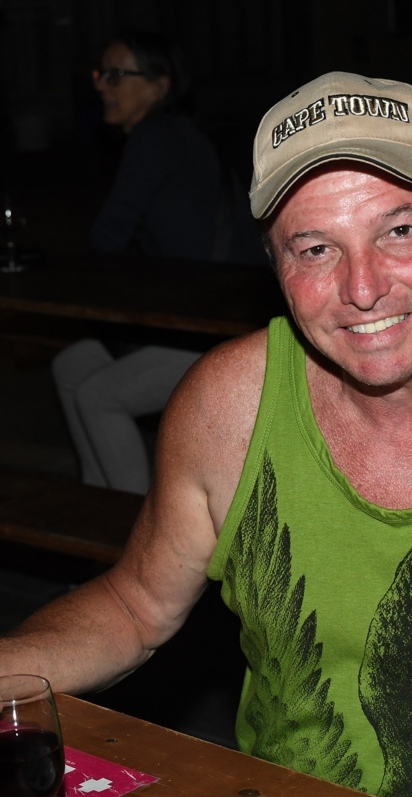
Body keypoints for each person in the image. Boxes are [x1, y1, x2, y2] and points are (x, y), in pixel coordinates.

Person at [2, 71, 412, 797]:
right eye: (316, 249)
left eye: (399, 230)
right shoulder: (229, 406)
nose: (363, 288)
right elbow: (136, 606)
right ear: (273, 263)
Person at [52, 31, 263, 495]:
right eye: (99, 74)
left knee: (99, 396)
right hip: (191, 316)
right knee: (71, 366)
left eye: (116, 75)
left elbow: (107, 236)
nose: (101, 85)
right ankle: (97, 502)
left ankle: (138, 527)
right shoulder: (175, 138)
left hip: (220, 332)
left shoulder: (156, 137)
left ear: (158, 86)